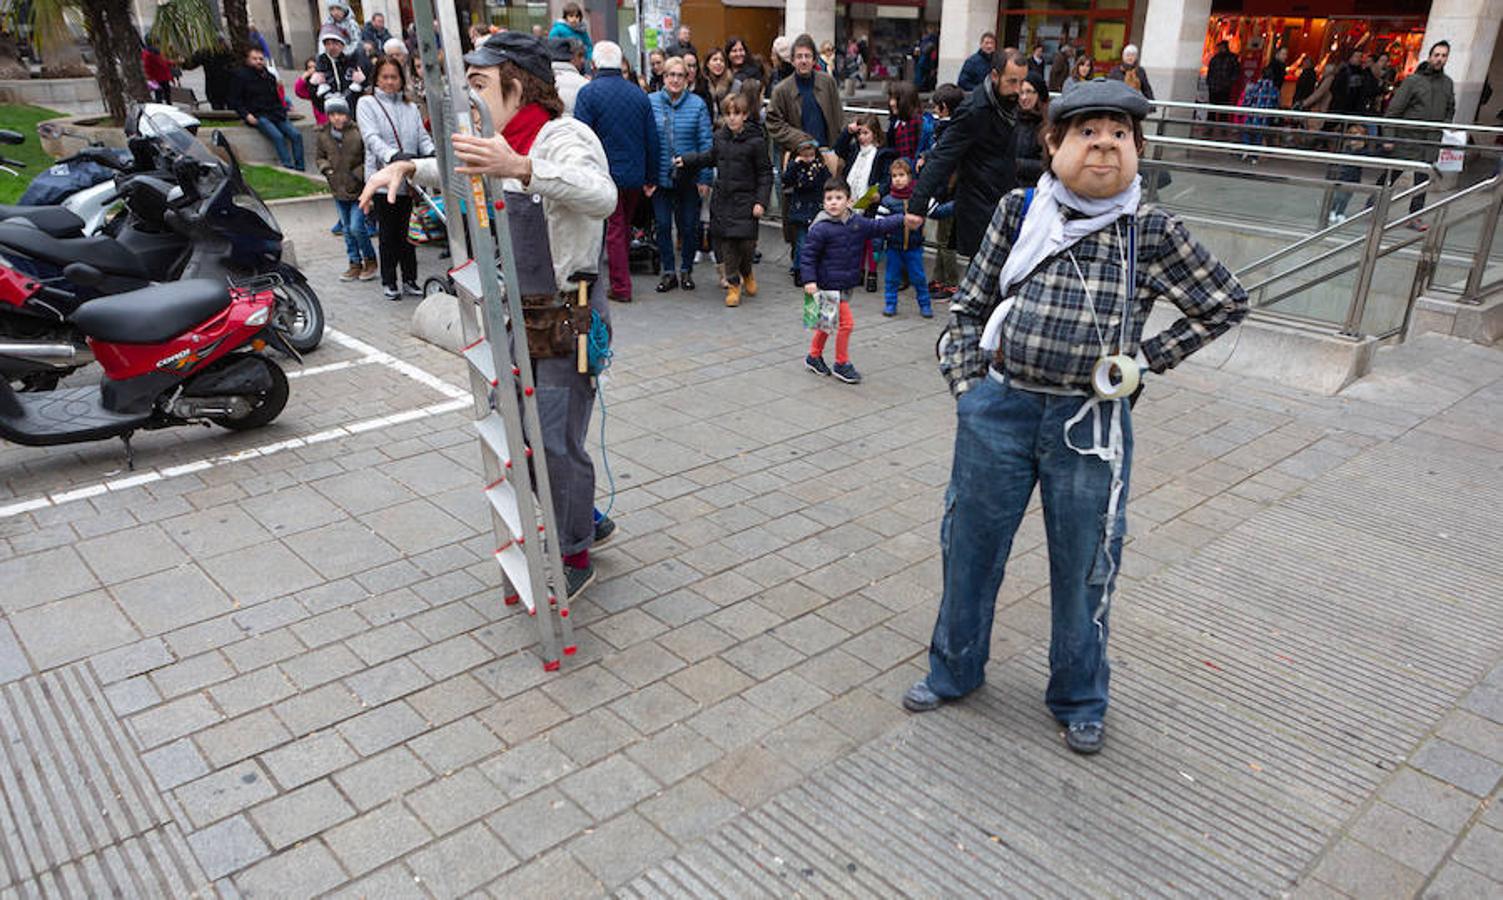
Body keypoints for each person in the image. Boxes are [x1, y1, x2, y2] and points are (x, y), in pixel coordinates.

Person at [902, 79, 1248, 756]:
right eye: (1087, 131)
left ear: (1137, 150)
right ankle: (954, 669)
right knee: (968, 550)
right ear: (1053, 144)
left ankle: (1079, 696)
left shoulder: (1149, 230)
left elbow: (1224, 303)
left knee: (1086, 566)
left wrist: (1145, 361)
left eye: (1119, 134)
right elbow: (968, 308)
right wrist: (969, 389)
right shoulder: (1017, 209)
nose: (1104, 145)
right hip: (996, 408)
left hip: (1087, 425)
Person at [361, 31, 617, 595]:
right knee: (515, 433)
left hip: (566, 316)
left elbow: (603, 195)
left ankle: (575, 554)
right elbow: (456, 168)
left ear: (517, 84)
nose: (470, 97)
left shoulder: (562, 135)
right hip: (515, 315)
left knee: (552, 441)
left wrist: (524, 167)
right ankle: (586, 515)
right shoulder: (499, 142)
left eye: (479, 84)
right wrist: (405, 167)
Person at [907, 50, 1027, 259]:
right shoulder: (974, 110)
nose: (1018, 90)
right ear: (995, 76)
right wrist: (917, 205)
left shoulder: (1012, 105)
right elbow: (942, 157)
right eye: (1012, 81)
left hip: (1007, 202)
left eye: (1022, 82)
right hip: (980, 206)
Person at [575, 40, 659, 302]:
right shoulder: (638, 94)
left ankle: (621, 287)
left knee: (614, 229)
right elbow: (652, 138)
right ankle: (618, 281)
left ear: (594, 64)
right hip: (634, 175)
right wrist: (651, 176)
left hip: (603, 174)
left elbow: (581, 138)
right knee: (620, 228)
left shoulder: (588, 94)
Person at [801, 177, 906, 385]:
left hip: (843, 283)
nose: (833, 202)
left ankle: (813, 356)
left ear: (849, 201)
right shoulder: (821, 228)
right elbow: (808, 256)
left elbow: (878, 226)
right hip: (827, 284)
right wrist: (809, 281)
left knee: (826, 324)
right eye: (829, 198)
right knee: (846, 325)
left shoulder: (856, 222)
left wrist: (902, 219)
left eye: (838, 198)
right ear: (824, 202)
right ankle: (841, 363)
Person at [674, 93, 771, 307]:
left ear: (745, 115)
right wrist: (688, 159)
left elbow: (765, 174)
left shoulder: (756, 142)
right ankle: (733, 285)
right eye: (728, 114)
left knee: (746, 245)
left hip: (747, 201)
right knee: (728, 246)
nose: (732, 118)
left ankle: (747, 272)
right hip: (724, 200)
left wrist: (761, 202)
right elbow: (709, 157)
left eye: (737, 113)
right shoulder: (720, 138)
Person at [356, 56, 434, 299]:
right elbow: (371, 138)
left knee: (409, 233)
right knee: (388, 235)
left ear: (401, 79)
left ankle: (410, 279)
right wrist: (393, 155)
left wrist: (430, 153)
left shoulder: (410, 107)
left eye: (394, 77)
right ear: (377, 79)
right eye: (385, 77)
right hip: (383, 182)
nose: (390, 82)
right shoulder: (367, 104)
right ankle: (389, 281)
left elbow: (421, 136)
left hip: (409, 181)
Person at [647, 56, 713, 292]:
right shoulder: (651, 102)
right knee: (663, 226)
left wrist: (705, 177)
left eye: (680, 75)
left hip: (690, 178)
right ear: (663, 77)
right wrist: (647, 176)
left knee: (689, 227)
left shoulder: (698, 104)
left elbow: (706, 142)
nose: (675, 79)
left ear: (687, 79)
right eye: (670, 75)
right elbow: (645, 140)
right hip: (659, 178)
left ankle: (685, 270)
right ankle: (668, 271)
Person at [1381, 41, 1456, 223]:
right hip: (1408, 138)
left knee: (1422, 181)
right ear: (1430, 57)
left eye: (1444, 55)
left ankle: (1415, 216)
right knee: (1391, 175)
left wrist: (1444, 127)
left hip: (1430, 140)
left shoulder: (1447, 83)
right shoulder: (1413, 81)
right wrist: (1389, 136)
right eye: (1436, 55)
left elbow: (1450, 108)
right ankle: (1373, 205)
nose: (1439, 59)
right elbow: (1394, 110)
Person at [315, 96, 379, 282]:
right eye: (333, 114)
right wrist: (326, 169)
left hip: (358, 189)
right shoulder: (323, 135)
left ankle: (370, 260)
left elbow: (369, 156)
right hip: (338, 189)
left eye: (340, 113)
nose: (337, 118)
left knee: (357, 227)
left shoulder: (358, 133)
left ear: (347, 114)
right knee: (347, 230)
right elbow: (319, 156)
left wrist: (359, 174)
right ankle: (354, 263)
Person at [834, 113, 895, 292]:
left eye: (866, 133)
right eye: (860, 133)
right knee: (855, 238)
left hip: (870, 200)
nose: (862, 137)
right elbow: (838, 149)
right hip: (852, 198)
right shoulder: (855, 150)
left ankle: (873, 273)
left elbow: (886, 178)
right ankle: (858, 271)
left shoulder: (882, 154)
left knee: (871, 240)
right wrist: (848, 131)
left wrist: (880, 192)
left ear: (875, 133)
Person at [874, 159, 937, 318]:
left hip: (914, 247)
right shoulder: (887, 201)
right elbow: (879, 226)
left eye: (902, 175)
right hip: (894, 247)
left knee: (919, 277)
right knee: (891, 278)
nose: (898, 179)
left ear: (910, 177)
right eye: (894, 176)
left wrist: (954, 207)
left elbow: (936, 210)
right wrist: (877, 246)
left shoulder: (919, 197)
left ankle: (925, 305)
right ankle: (890, 304)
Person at [766, 34, 842, 160]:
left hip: (827, 154)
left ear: (814, 60)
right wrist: (798, 138)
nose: (803, 61)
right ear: (792, 60)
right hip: (797, 156)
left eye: (807, 56)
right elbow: (773, 122)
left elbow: (838, 116)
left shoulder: (828, 82)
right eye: (799, 56)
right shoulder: (782, 90)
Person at [229, 46, 305, 170]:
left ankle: (300, 168)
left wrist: (284, 109)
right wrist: (247, 115)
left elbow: (277, 97)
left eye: (261, 59)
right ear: (247, 60)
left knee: (296, 135)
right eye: (254, 59)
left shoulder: (268, 76)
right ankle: (289, 168)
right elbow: (235, 101)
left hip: (276, 113)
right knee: (278, 137)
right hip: (257, 115)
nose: (259, 61)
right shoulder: (240, 76)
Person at [924, 84, 965, 297]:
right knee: (942, 238)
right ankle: (938, 278)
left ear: (944, 107)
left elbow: (945, 158)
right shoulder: (947, 127)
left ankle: (951, 282)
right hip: (944, 190)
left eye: (936, 107)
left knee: (946, 241)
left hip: (948, 192)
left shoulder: (950, 130)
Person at [782, 139, 829, 283]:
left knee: (816, 242)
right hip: (801, 209)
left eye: (811, 155)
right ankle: (799, 270)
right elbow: (787, 179)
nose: (808, 159)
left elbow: (827, 182)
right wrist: (795, 163)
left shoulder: (819, 167)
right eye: (805, 156)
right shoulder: (796, 167)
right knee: (801, 242)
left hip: (815, 207)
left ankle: (814, 269)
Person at [312, 26, 372, 116]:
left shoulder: (356, 59)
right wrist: (313, 85)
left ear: (343, 43)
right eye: (327, 44)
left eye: (335, 43)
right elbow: (315, 97)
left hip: (357, 112)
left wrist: (363, 81)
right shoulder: (322, 62)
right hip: (334, 114)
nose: (331, 47)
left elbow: (370, 89)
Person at [1237, 65, 1280, 162]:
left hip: (1251, 116)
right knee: (1258, 137)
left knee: (1247, 133)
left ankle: (1246, 149)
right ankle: (1254, 157)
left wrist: (1242, 111)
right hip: (1264, 119)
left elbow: (1247, 101)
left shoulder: (1254, 87)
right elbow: (1276, 105)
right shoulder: (1274, 91)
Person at [1328, 123, 1368, 223]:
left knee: (1347, 197)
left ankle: (1340, 212)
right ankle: (1332, 210)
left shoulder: (1362, 150)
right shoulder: (1345, 149)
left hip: (1354, 177)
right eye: (1354, 134)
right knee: (1339, 196)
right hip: (1342, 175)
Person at [1015, 72, 1049, 186]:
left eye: (1029, 92)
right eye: (1021, 92)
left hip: (1036, 190)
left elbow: (1049, 165)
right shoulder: (1010, 119)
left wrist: (1017, 165)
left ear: (1039, 94)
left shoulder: (1048, 125)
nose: (1024, 97)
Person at [887, 81, 930, 165]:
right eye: (891, 98)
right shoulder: (896, 122)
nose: (891, 103)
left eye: (896, 99)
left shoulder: (918, 123)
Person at [1206, 39, 1241, 138]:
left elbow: (1236, 72)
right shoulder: (1216, 58)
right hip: (1216, 87)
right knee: (1213, 110)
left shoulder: (1231, 58)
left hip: (1224, 87)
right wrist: (1210, 82)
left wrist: (1229, 83)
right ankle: (1212, 128)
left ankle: (1221, 129)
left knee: (1223, 110)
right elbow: (1210, 72)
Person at [549, 38, 588, 114]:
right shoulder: (585, 85)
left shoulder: (539, 82)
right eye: (580, 56)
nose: (583, 60)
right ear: (571, 57)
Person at [295, 57, 328, 126]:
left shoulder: (326, 78)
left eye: (315, 67)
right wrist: (303, 77)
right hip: (321, 119)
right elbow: (299, 92)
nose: (312, 70)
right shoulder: (310, 85)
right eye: (309, 68)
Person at [703, 48, 735, 120]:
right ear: (707, 64)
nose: (718, 63)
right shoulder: (701, 84)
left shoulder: (733, 83)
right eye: (715, 59)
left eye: (722, 60)